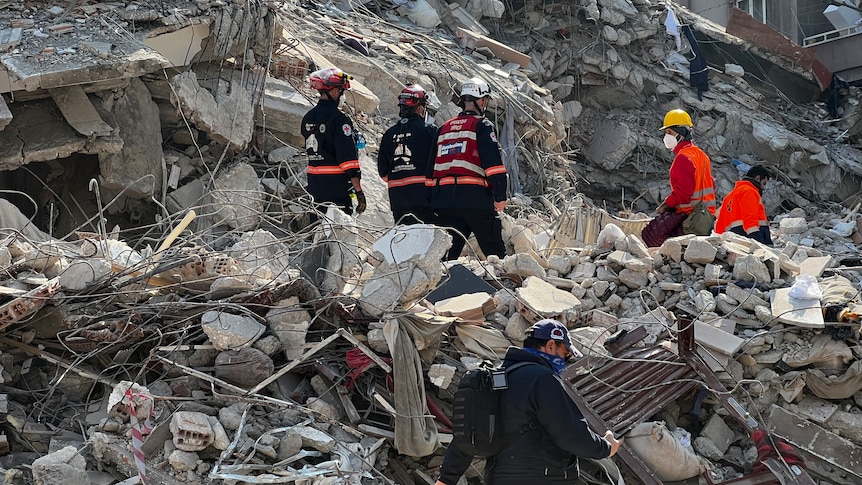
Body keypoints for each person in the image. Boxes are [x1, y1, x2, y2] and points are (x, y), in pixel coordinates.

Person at [435, 319, 622, 485]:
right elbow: (571, 434)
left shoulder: (494, 379)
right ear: (550, 346)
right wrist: (605, 447)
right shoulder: (543, 379)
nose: (565, 360)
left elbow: (468, 434)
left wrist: (446, 479)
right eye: (565, 352)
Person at [429, 77, 508, 260]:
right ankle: (504, 287)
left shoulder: (443, 129)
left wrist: (433, 200)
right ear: (481, 100)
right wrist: (500, 197)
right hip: (475, 198)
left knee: (446, 257)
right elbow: (493, 166)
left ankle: (443, 287)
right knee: (495, 254)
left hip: (445, 201)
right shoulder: (482, 126)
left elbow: (430, 169)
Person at [641, 108, 717, 247]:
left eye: (669, 132)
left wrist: (665, 205)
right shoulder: (702, 155)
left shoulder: (683, 157)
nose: (666, 136)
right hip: (706, 219)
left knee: (651, 236)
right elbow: (711, 184)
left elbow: (684, 194)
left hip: (690, 220)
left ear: (681, 133)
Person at [300, 67, 365, 220]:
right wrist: (358, 190)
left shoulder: (308, 118)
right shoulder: (339, 120)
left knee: (316, 230)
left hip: (315, 186)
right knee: (338, 233)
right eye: (341, 92)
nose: (342, 96)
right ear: (334, 92)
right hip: (337, 189)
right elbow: (348, 160)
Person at [377, 84, 439, 225]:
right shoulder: (430, 131)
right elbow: (439, 162)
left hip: (398, 199)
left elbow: (383, 172)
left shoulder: (389, 134)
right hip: (424, 197)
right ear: (420, 107)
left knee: (403, 239)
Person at [715, 165, 774, 246]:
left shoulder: (729, 197)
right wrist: (758, 242)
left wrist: (719, 242)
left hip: (731, 242)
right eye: (764, 183)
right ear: (757, 178)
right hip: (750, 238)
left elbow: (720, 224)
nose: (763, 188)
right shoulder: (749, 191)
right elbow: (750, 217)